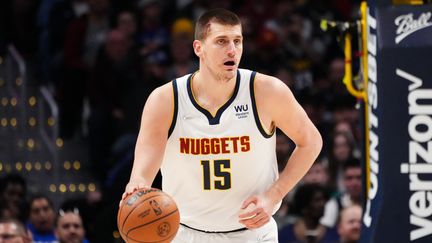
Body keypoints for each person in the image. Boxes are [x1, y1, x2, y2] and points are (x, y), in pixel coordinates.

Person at [121, 8, 322, 243]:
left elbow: (311, 142)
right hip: (185, 233)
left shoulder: (267, 92)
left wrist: (275, 194)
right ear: (199, 48)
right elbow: (146, 162)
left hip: (252, 234)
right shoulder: (165, 100)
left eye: (238, 41)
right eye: (221, 41)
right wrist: (137, 184)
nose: (232, 50)